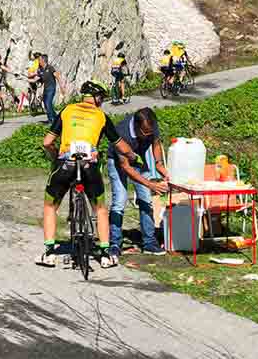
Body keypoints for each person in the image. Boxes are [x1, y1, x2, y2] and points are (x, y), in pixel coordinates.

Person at [37, 81, 163, 268]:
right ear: (96, 99)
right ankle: (105, 254)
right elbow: (121, 145)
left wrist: (56, 157)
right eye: (102, 99)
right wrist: (132, 156)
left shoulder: (67, 111)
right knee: (101, 208)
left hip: (65, 164)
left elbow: (47, 142)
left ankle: (48, 253)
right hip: (89, 166)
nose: (102, 103)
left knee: (50, 206)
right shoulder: (101, 116)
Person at [107, 107, 170, 262]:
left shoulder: (151, 126)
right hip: (118, 162)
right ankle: (114, 243)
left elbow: (156, 143)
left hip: (138, 159)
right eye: (145, 132)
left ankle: (149, 242)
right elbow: (127, 168)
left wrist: (159, 164)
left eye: (150, 131)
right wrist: (151, 184)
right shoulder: (121, 133)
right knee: (119, 201)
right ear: (136, 126)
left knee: (146, 200)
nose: (148, 135)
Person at [37, 54, 67, 126]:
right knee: (46, 105)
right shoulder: (41, 70)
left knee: (48, 103)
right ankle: (57, 118)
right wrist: (24, 79)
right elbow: (36, 79)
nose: (38, 61)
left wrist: (62, 87)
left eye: (39, 60)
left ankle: (51, 121)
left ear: (43, 60)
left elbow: (57, 77)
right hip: (45, 89)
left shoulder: (50, 68)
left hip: (51, 88)